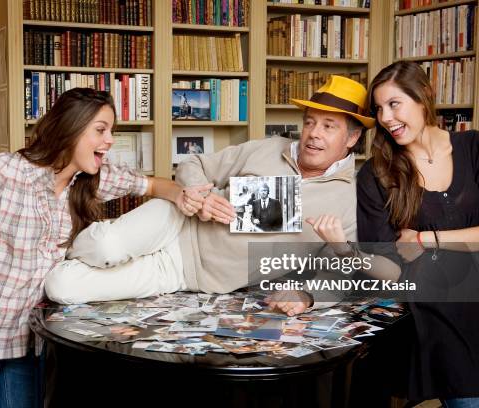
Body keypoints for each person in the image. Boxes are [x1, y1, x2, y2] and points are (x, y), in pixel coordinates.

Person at [0, 88, 206, 408]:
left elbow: (156, 185)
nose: (110, 140)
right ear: (71, 127)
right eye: (101, 130)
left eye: (111, 131)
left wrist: (183, 196)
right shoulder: (5, 171)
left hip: (28, 342)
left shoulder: (93, 181)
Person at [44, 75, 375, 306]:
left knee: (61, 286)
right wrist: (197, 194)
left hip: (186, 273)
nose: (313, 134)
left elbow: (342, 273)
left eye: (328, 126)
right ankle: (52, 251)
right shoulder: (269, 148)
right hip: (176, 220)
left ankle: (53, 265)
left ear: (352, 138)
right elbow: (194, 164)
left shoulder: (347, 200)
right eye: (310, 122)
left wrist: (308, 296)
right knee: (105, 245)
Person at [358, 61, 479, 406]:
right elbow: (388, 263)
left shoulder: (474, 146)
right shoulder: (376, 174)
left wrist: (425, 239)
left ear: (424, 97)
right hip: (442, 315)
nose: (386, 118)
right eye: (379, 108)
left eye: (394, 104)